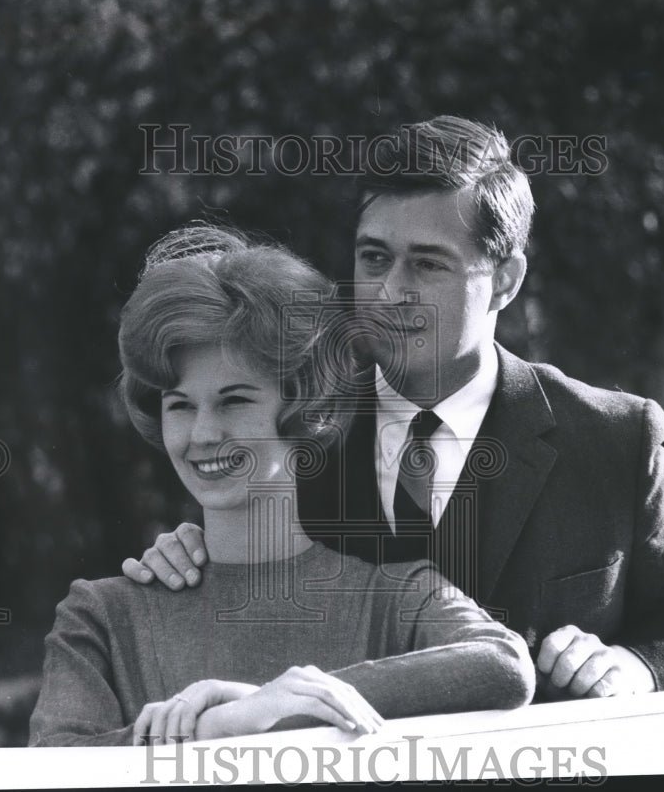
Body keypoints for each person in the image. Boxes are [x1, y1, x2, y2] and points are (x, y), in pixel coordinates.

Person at [122, 116, 664, 701]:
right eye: (373, 257)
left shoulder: (613, 438)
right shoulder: (295, 422)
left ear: (506, 280)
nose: (390, 291)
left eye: (428, 265)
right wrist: (191, 557)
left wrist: (640, 667)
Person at [28, 224, 534, 747]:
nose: (202, 434)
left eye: (235, 401)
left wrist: (286, 703)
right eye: (179, 405)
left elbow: (502, 664)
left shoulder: (394, 596)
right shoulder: (102, 614)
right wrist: (223, 726)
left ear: (304, 406)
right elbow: (51, 768)